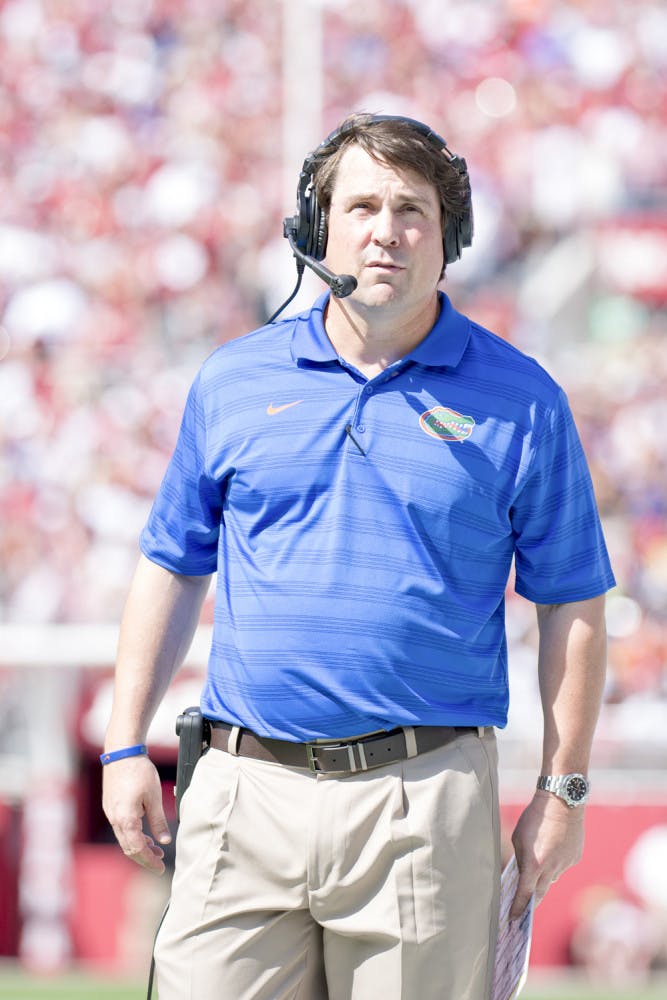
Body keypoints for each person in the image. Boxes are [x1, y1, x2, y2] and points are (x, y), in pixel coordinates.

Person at [101, 113, 615, 1000]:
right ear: (317, 227)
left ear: (448, 237)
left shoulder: (523, 401)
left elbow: (572, 601)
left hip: (423, 802)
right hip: (241, 792)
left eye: (412, 209)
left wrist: (561, 790)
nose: (386, 230)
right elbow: (173, 564)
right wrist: (121, 747)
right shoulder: (233, 380)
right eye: (362, 205)